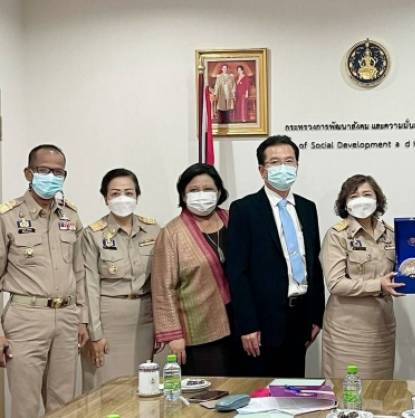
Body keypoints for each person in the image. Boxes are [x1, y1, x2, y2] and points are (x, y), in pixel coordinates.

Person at [0, 144, 88, 418]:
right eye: (44, 170)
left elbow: (80, 272)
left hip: (67, 317)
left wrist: (82, 318)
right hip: (26, 318)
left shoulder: (70, 216)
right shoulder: (7, 217)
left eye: (58, 172)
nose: (51, 177)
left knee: (63, 403)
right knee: (26, 404)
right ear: (28, 173)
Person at [227, 135, 325, 377]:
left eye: (289, 161)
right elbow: (237, 273)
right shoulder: (244, 210)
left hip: (300, 318)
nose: (283, 167)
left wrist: (316, 316)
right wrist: (247, 325)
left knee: (294, 390)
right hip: (261, 323)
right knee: (261, 392)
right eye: (274, 162)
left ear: (297, 166)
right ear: (262, 170)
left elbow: (314, 264)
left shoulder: (307, 208)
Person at [152, 163, 238, 376]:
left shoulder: (235, 220)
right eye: (194, 190)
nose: (202, 195)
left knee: (243, 386)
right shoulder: (172, 233)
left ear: (219, 191)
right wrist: (173, 335)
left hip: (240, 324)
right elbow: (163, 288)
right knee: (210, 388)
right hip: (199, 329)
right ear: (183, 194)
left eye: (208, 189)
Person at [81, 168, 160, 390]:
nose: (122, 198)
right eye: (115, 193)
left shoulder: (153, 230)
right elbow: (89, 286)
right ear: (105, 197)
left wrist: (162, 326)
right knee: (106, 389)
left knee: (141, 386)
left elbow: (161, 281)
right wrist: (95, 334)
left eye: (129, 192)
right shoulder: (93, 234)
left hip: (145, 319)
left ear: (137, 195)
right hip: (108, 318)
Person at [320, 174, 403, 379]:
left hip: (382, 329)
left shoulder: (391, 233)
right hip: (347, 332)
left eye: (367, 194)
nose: (361, 200)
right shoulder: (337, 235)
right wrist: (378, 285)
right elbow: (336, 283)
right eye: (354, 196)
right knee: (346, 391)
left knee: (380, 391)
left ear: (377, 199)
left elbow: (400, 272)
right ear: (345, 203)